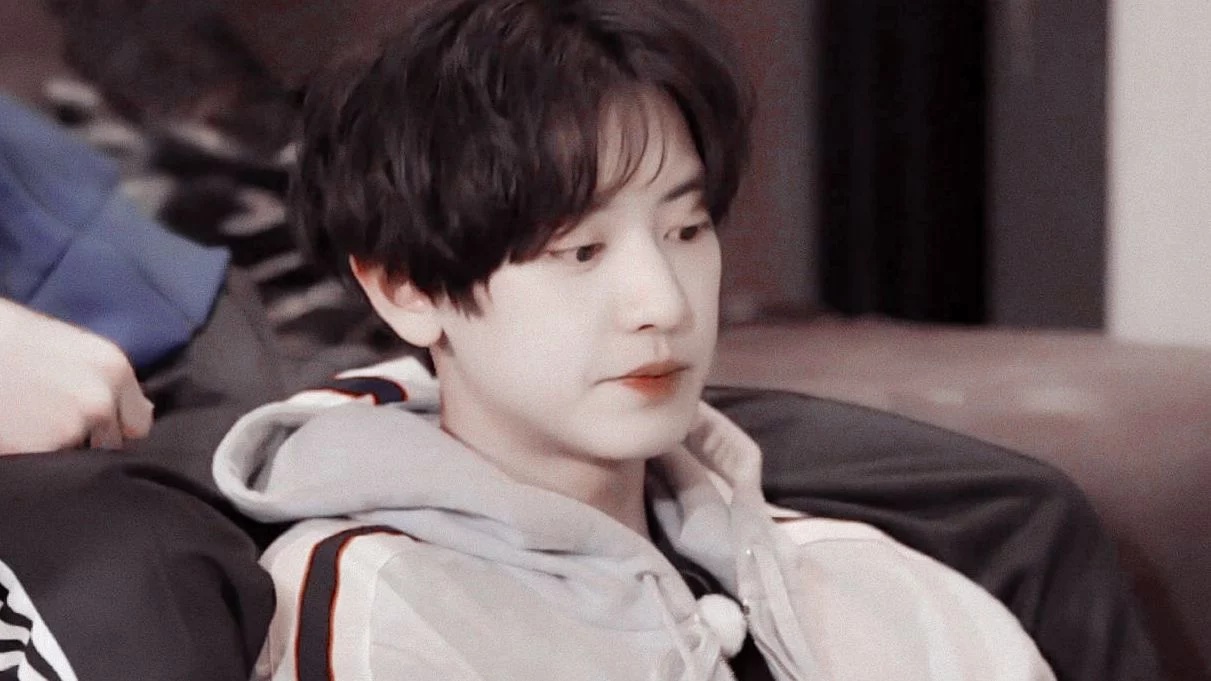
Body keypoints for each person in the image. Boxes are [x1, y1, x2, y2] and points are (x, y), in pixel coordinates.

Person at [213, 1, 1058, 678]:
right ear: (406, 288)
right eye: (580, 250)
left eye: (685, 230)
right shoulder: (382, 614)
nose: (661, 302)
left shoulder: (877, 586)